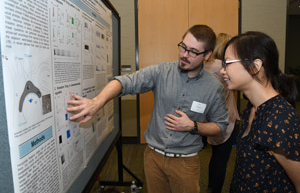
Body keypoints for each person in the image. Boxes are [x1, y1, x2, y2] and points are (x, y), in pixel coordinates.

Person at [66, 25, 229, 193]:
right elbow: (125, 82)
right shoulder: (162, 71)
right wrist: (96, 102)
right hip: (153, 159)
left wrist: (193, 126)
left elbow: (220, 126)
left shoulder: (214, 87)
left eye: (193, 52)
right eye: (183, 47)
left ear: (207, 55)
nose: (184, 55)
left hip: (186, 163)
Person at [220, 31, 300, 192]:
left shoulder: (280, 119)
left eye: (227, 63)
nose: (223, 71)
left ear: (255, 66)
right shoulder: (251, 109)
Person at [204, 33, 240, 193]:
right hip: (227, 118)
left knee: (215, 157)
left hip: (212, 119)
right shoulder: (224, 68)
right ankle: (215, 189)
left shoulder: (205, 66)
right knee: (221, 160)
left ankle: (212, 187)